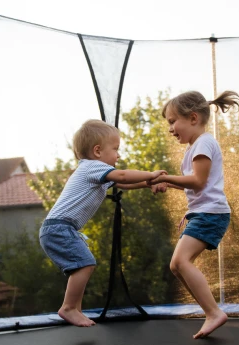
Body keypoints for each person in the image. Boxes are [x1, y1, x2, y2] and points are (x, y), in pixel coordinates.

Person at [39, 119, 167, 328]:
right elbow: (124, 175)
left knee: (82, 265)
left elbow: (124, 182)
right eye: (115, 149)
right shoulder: (92, 167)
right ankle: (69, 307)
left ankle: (74, 308)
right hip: (58, 228)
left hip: (59, 228)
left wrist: (148, 183)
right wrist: (152, 174)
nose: (119, 155)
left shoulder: (95, 171)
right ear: (97, 151)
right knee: (86, 263)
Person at [148, 90, 239, 339]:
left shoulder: (204, 143)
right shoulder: (193, 148)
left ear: (192, 117)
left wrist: (166, 178)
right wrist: (169, 183)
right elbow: (196, 184)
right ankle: (211, 312)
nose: (170, 129)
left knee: (180, 262)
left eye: (172, 121)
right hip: (203, 214)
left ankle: (213, 313)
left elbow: (198, 181)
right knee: (177, 266)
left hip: (211, 215)